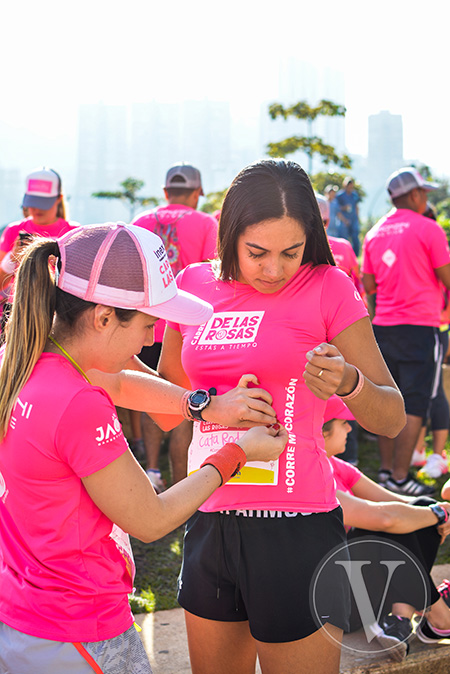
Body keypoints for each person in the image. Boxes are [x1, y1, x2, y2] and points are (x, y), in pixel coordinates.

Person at [152, 159, 405, 674]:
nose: (273, 270)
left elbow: (392, 417)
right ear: (229, 236)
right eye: (256, 253)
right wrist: (209, 405)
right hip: (210, 520)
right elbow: (165, 405)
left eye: (290, 252)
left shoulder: (329, 286)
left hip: (299, 528)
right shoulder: (192, 284)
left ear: (310, 238)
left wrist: (350, 384)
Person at [0, 222, 287, 674]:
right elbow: (150, 520)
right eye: (149, 324)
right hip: (79, 629)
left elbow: (114, 379)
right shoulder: (79, 403)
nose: (152, 340)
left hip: (25, 616)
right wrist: (238, 454)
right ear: (103, 317)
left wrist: (206, 406)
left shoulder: (27, 360)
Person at [323, 395, 450, 662]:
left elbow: (399, 502)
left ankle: (401, 617)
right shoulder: (312, 474)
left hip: (361, 585)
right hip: (335, 604)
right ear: (321, 433)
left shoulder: (336, 465)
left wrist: (438, 510)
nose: (349, 429)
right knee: (376, 529)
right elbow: (384, 519)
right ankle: (438, 614)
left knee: (420, 506)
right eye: (343, 423)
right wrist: (438, 514)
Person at [362, 167, 450, 496]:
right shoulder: (429, 229)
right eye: (424, 193)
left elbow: (369, 284)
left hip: (383, 328)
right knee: (414, 403)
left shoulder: (374, 233)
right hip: (419, 327)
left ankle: (386, 473)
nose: (426, 197)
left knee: (387, 400)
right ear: (414, 195)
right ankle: (400, 477)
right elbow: (447, 276)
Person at [131, 163, 219, 490]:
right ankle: (183, 485)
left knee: (149, 396)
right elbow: (212, 275)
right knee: (185, 402)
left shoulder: (139, 221)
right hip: (184, 329)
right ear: (197, 193)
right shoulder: (206, 222)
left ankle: (152, 471)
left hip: (141, 328)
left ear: (166, 192)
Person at [0, 167, 79, 335]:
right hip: (18, 317)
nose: (36, 209)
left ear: (59, 199)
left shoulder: (74, 232)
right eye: (33, 202)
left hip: (59, 318)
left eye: (43, 203)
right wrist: (12, 258)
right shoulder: (14, 230)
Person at [316, 193, 364, 465]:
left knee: (345, 401)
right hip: (322, 344)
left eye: (322, 222)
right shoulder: (342, 248)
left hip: (336, 342)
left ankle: (347, 467)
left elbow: (358, 295)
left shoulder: (343, 248)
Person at [335, 177, 361, 255]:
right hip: (344, 220)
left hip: (353, 219)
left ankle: (355, 256)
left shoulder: (354, 195)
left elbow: (356, 206)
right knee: (343, 239)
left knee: (355, 238)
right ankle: (344, 255)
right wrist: (344, 208)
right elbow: (337, 208)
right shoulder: (340, 195)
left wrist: (357, 217)